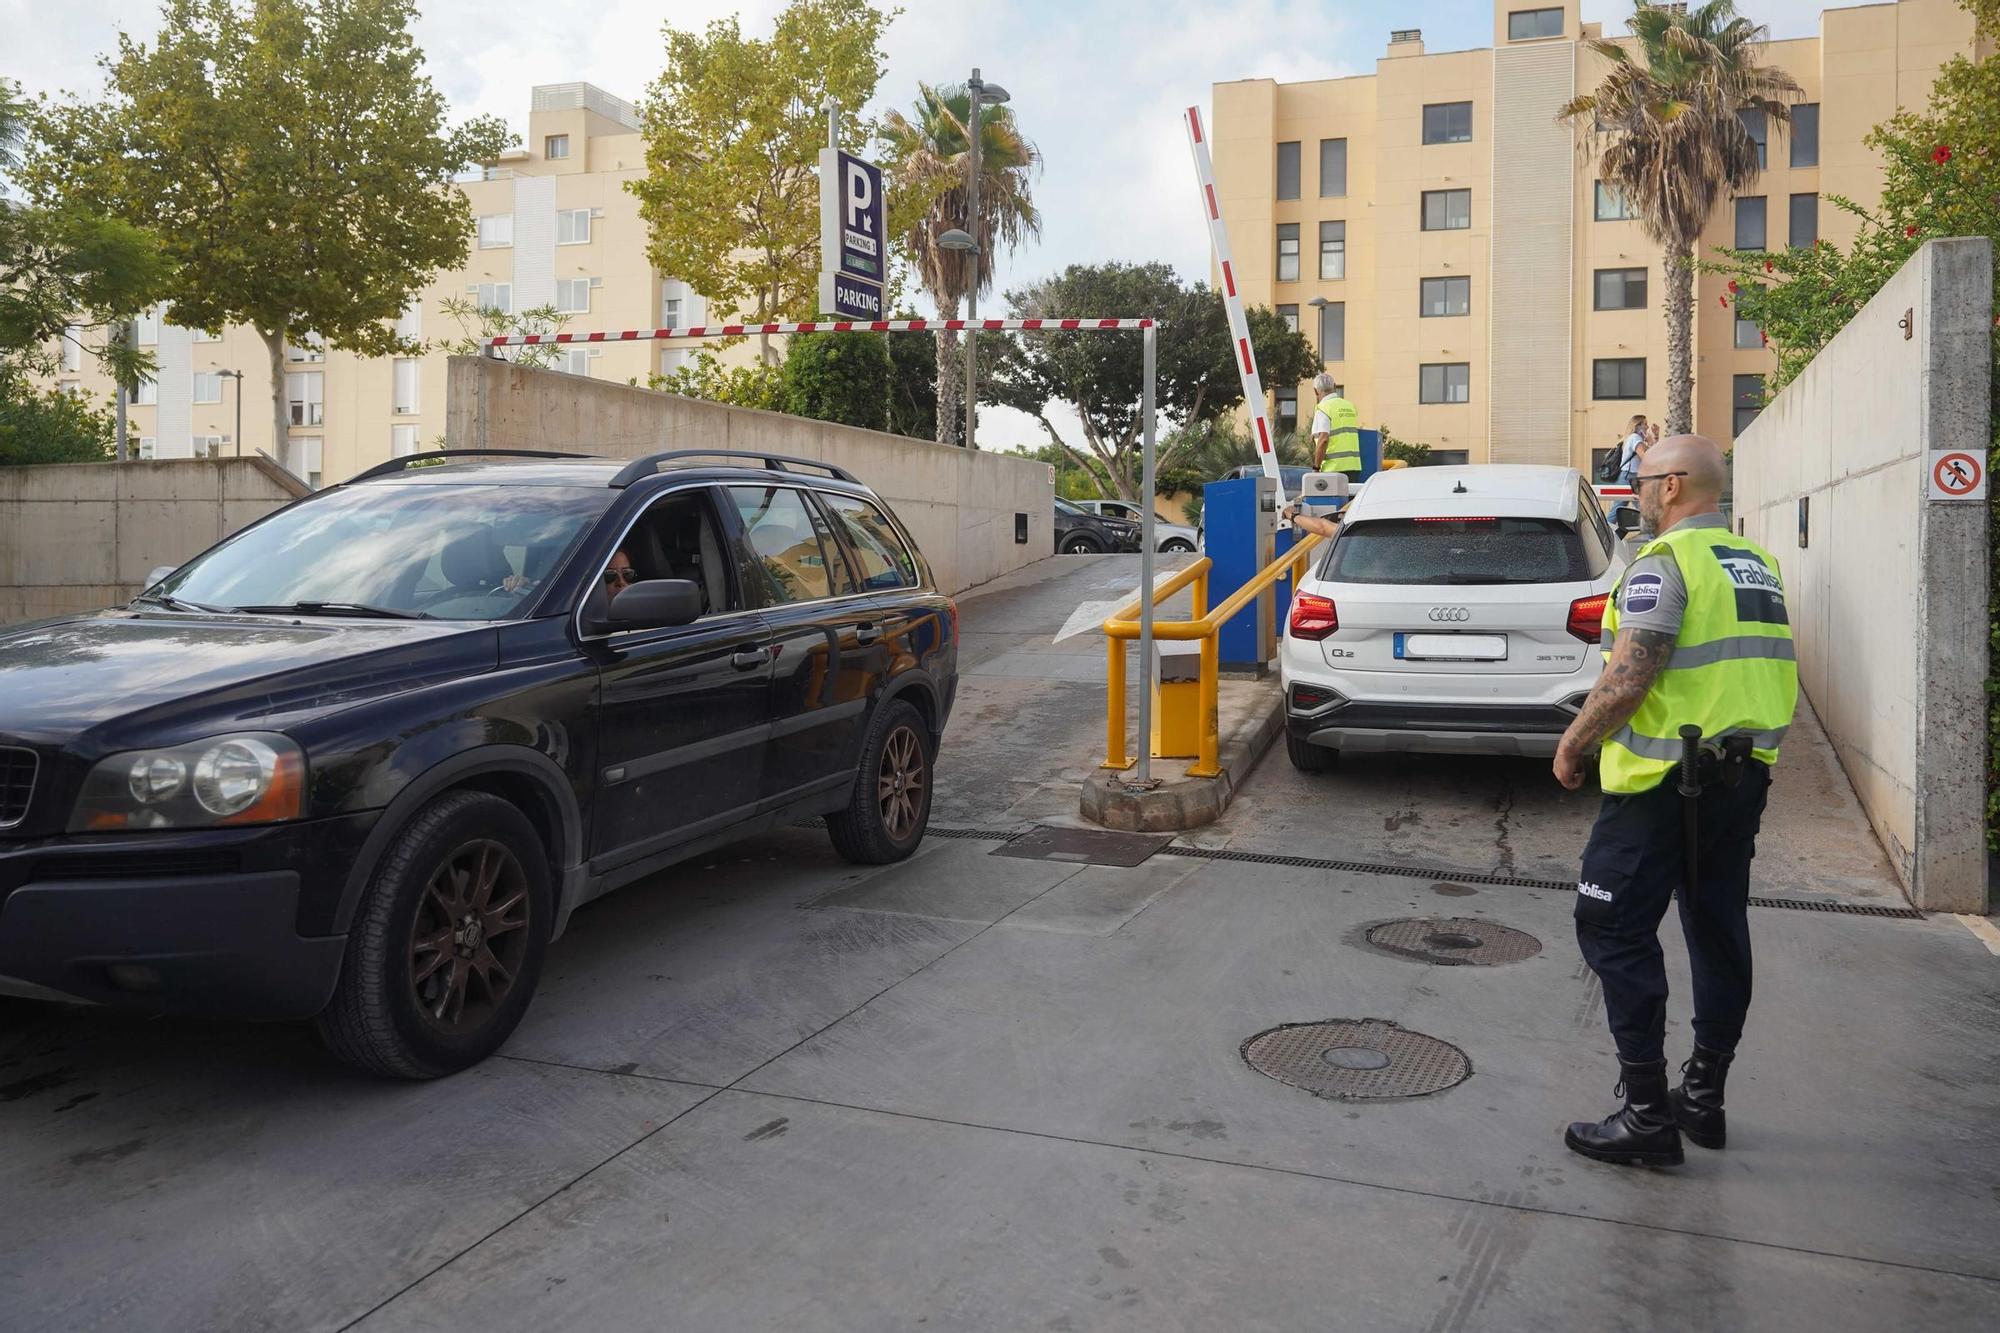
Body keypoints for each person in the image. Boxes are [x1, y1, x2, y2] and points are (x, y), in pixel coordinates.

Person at [1551, 434, 1798, 1169]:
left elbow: (1632, 675)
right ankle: (1703, 1097)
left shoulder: (1665, 564)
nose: (1634, 488)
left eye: (1642, 477)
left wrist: (1574, 743)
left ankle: (1648, 1113)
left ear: (1673, 486)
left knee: (1612, 924)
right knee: (1716, 922)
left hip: (1663, 782)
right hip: (1741, 777)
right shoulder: (1756, 562)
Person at [1308, 374, 1361, 477]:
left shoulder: (1323, 408)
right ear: (1335, 386)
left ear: (1315, 391)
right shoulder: (1350, 406)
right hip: (1354, 467)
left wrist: (1316, 467)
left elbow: (1323, 439)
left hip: (1333, 469)